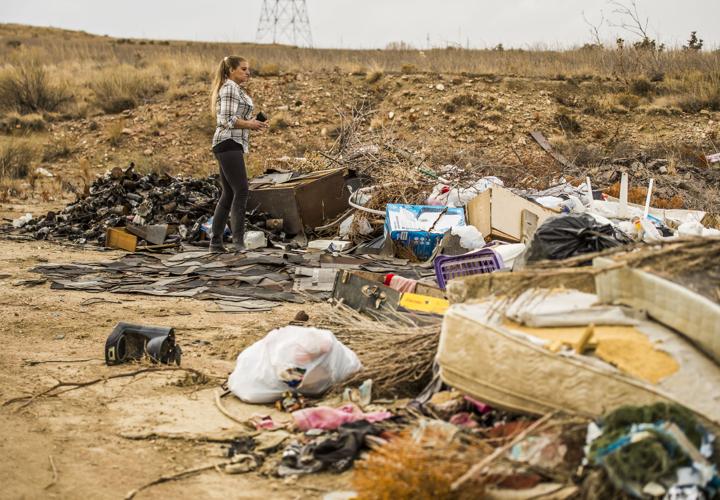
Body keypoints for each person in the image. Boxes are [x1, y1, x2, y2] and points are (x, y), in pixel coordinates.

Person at [209, 56, 268, 252]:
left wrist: (252, 122)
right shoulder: (230, 87)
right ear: (231, 70)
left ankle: (216, 243)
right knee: (241, 191)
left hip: (228, 143)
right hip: (228, 142)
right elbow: (226, 119)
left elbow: (234, 118)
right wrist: (249, 123)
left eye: (248, 69)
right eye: (243, 69)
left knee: (228, 194)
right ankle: (237, 243)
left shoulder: (234, 88)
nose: (247, 72)